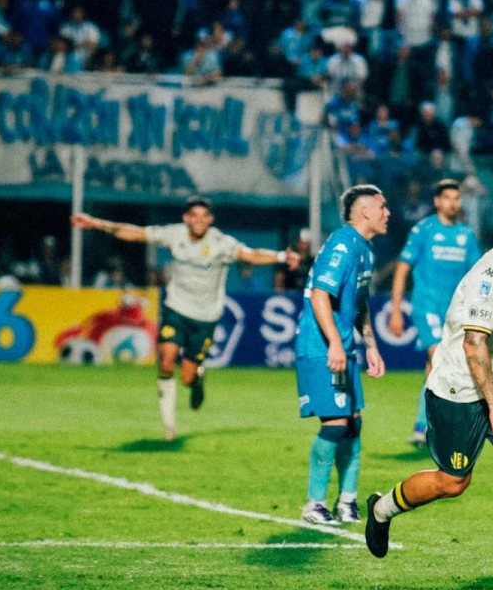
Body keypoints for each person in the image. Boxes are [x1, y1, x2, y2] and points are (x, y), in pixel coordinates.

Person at [365, 190, 493, 590]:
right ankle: (381, 508)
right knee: (453, 482)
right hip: (458, 389)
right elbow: (474, 344)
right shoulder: (491, 274)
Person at [71, 197, 301, 440]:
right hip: (176, 309)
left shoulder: (221, 243)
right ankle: (169, 428)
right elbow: (136, 233)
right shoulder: (174, 234)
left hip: (206, 317)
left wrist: (281, 257)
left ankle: (196, 379)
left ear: (210, 219)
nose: (199, 221)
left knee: (186, 376)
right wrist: (95, 223)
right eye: (195, 216)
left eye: (204, 216)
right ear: (186, 218)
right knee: (166, 360)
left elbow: (251, 255)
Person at [295, 185, 390, 526]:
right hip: (321, 348)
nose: (388, 213)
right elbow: (320, 294)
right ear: (365, 211)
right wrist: (335, 343)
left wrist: (371, 346)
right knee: (335, 424)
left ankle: (347, 501)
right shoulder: (342, 245)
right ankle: (314, 505)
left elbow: (359, 303)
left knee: (353, 424)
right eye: (382, 207)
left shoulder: (365, 249)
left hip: (344, 348)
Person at [388, 180, 482, 446]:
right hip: (426, 305)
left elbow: (476, 275)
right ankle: (445, 426)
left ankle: (422, 426)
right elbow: (402, 268)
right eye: (447, 198)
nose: (453, 203)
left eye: (456, 198)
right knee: (440, 359)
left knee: (434, 367)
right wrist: (395, 310)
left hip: (455, 312)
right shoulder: (424, 230)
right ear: (437, 202)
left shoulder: (466, 235)